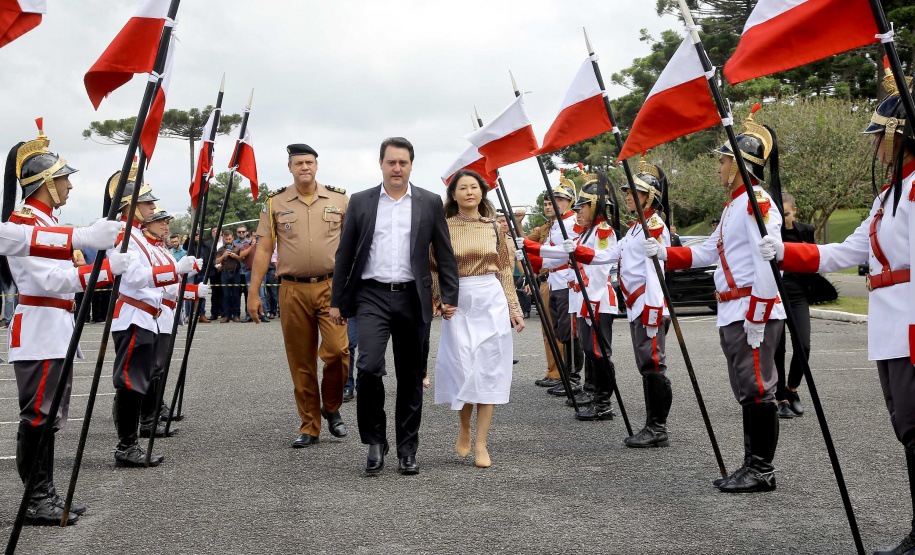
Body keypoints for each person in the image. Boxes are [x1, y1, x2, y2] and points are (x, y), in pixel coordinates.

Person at [758, 73, 915, 554]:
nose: (876, 148)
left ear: (901, 136)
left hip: (912, 320)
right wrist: (785, 251)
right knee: (907, 429)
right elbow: (847, 251)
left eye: (881, 137)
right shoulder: (886, 196)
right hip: (890, 322)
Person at [647, 105, 785, 493]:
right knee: (747, 388)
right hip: (732, 309)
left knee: (758, 388)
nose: (718, 168)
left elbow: (767, 261)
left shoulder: (758, 204)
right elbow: (708, 252)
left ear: (742, 166)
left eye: (723, 161)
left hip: (751, 309)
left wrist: (758, 314)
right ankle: (751, 465)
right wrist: (664, 254)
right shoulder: (733, 206)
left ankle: (761, 470)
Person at [5, 121, 128, 525]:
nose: (70, 186)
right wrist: (103, 272)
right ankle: (36, 498)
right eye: (63, 179)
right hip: (39, 325)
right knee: (39, 414)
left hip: (56, 326)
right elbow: (44, 280)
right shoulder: (24, 223)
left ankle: (47, 493)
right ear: (44, 182)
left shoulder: (45, 223)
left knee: (52, 414)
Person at [330, 137, 459, 476]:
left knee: (411, 375)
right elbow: (344, 255)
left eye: (403, 162)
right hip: (370, 295)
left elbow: (445, 253)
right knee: (369, 367)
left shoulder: (430, 202)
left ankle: (407, 448)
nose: (397, 168)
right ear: (381, 164)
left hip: (413, 297)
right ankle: (375, 442)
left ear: (411, 165)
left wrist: (449, 295)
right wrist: (337, 301)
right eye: (391, 162)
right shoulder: (361, 202)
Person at [248, 143, 350, 448]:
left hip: (333, 287)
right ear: (290, 168)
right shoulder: (275, 203)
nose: (304, 167)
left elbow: (353, 246)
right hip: (291, 289)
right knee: (301, 361)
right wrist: (254, 293)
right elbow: (264, 249)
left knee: (338, 352)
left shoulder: (340, 200)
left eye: (309, 162)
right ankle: (309, 425)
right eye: (298, 163)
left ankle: (330, 406)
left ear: (317, 166)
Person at [106, 167, 202, 468]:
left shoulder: (137, 236)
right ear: (129, 205)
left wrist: (189, 288)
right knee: (130, 382)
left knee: (140, 380)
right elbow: (134, 278)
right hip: (134, 314)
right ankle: (126, 446)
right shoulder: (124, 236)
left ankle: (132, 442)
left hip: (147, 316)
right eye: (146, 203)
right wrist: (176, 269)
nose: (151, 207)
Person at [432, 170, 524, 468]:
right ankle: (464, 426)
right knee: (463, 367)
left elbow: (505, 270)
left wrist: (514, 308)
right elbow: (432, 267)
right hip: (458, 301)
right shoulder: (442, 227)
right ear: (453, 194)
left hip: (491, 298)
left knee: (489, 370)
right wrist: (439, 298)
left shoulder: (495, 228)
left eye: (474, 187)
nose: (469, 191)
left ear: (482, 192)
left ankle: (482, 442)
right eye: (463, 187)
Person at [520, 172, 621, 421]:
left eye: (582, 207)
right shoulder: (587, 232)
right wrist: (527, 246)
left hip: (597, 298)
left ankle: (603, 402)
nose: (578, 212)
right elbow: (562, 254)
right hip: (584, 298)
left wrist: (572, 249)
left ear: (594, 206)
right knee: (590, 350)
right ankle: (597, 398)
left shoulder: (603, 232)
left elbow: (602, 258)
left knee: (599, 353)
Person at [141, 206, 208, 437]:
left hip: (168, 312)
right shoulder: (147, 248)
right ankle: (148, 415)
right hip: (155, 311)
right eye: (160, 221)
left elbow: (173, 284)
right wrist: (187, 283)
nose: (166, 226)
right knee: (153, 367)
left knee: (160, 366)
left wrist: (193, 288)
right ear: (146, 223)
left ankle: (157, 407)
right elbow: (160, 282)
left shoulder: (164, 250)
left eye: (167, 222)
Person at [771, 192, 814, 420]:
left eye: (786, 214)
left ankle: (793, 388)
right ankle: (781, 399)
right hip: (775, 295)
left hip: (798, 296)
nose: (782, 218)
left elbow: (814, 261)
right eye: (778, 214)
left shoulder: (807, 231)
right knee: (778, 349)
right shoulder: (769, 232)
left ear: (794, 211)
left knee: (804, 345)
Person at [521, 200, 564, 388]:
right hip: (546, 280)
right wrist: (519, 222)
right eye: (545, 203)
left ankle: (561, 372)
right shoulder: (546, 227)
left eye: (552, 203)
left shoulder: (565, 225)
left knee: (557, 330)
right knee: (547, 330)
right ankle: (552, 370)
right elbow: (524, 243)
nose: (548, 207)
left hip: (560, 279)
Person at [215, 229, 243, 322]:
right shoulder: (221, 249)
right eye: (226, 239)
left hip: (236, 273)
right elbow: (216, 261)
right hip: (225, 273)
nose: (228, 241)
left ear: (233, 238)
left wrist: (235, 256)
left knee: (236, 295)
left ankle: (236, 315)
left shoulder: (238, 248)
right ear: (223, 238)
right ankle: (226, 315)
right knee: (226, 295)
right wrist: (224, 255)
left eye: (229, 239)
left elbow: (243, 260)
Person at [207, 227, 222, 321]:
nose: (215, 232)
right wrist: (216, 266)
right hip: (213, 271)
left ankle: (223, 312)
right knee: (215, 293)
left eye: (217, 231)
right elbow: (208, 257)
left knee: (224, 293)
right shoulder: (208, 244)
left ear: (221, 232)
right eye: (213, 231)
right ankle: (214, 313)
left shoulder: (225, 242)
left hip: (225, 271)